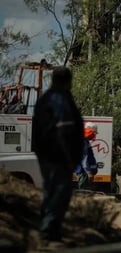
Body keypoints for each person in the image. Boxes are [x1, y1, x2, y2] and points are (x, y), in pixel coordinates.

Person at [32, 66, 84, 242]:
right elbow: (64, 130)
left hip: (47, 156)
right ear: (68, 81)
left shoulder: (44, 99)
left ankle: (50, 231)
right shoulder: (59, 99)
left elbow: (37, 131)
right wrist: (69, 158)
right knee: (59, 193)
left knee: (51, 191)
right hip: (58, 157)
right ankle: (48, 232)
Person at [75, 122, 98, 189]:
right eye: (94, 133)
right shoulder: (83, 142)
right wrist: (89, 172)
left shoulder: (84, 140)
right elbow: (84, 160)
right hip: (83, 171)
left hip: (84, 171)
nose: (94, 135)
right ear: (90, 131)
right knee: (82, 191)